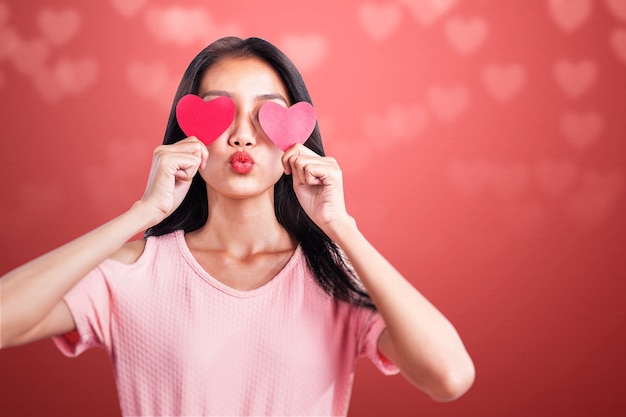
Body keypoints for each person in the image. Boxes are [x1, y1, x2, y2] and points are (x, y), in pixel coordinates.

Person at [0, 36, 475, 416]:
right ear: (187, 133)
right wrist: (142, 213)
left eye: (265, 113)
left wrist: (341, 226)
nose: (243, 135)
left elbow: (450, 377)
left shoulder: (336, 278)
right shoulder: (134, 272)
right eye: (220, 111)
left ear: (297, 137)